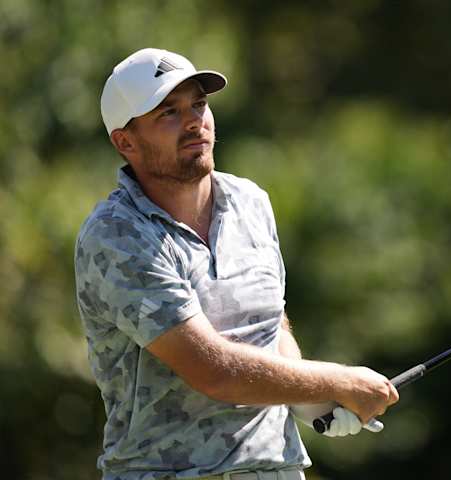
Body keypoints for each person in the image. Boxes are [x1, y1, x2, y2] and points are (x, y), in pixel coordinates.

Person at [74, 48, 399, 480]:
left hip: (277, 468)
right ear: (125, 141)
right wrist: (337, 382)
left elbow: (270, 324)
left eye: (199, 105)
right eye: (168, 112)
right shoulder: (116, 235)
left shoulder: (250, 202)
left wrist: (309, 403)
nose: (194, 121)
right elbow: (214, 372)